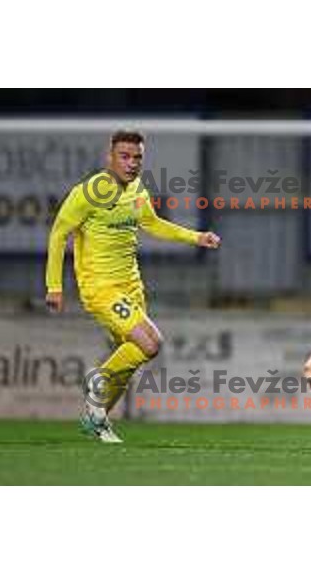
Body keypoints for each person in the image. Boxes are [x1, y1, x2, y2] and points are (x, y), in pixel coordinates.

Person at [45, 130, 221, 442]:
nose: (131, 163)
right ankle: (97, 381)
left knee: (131, 356)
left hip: (131, 286)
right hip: (101, 287)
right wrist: (54, 286)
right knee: (151, 343)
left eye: (137, 157)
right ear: (109, 158)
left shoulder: (137, 188)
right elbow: (59, 233)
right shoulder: (88, 192)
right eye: (124, 156)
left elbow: (152, 223)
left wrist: (196, 237)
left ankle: (96, 417)